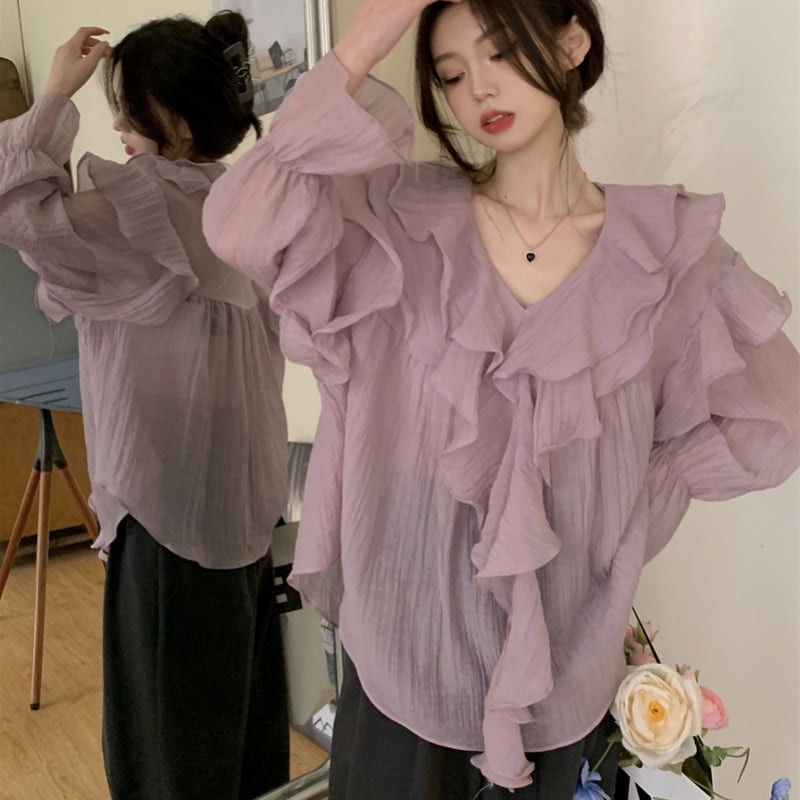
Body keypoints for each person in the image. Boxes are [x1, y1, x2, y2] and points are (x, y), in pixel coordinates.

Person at [202, 0, 800, 797]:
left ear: (572, 40)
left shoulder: (665, 255)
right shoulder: (398, 222)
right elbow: (239, 228)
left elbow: (774, 416)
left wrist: (630, 503)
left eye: (500, 53)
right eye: (450, 75)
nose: (477, 88)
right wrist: (366, 38)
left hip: (563, 669)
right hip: (407, 659)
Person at [0, 13, 290, 800]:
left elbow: (14, 204)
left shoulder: (146, 205)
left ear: (178, 120)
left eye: (129, 108)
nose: (120, 126)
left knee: (166, 746)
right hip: (244, 503)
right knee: (242, 729)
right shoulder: (244, 202)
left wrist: (54, 93)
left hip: (167, 514)